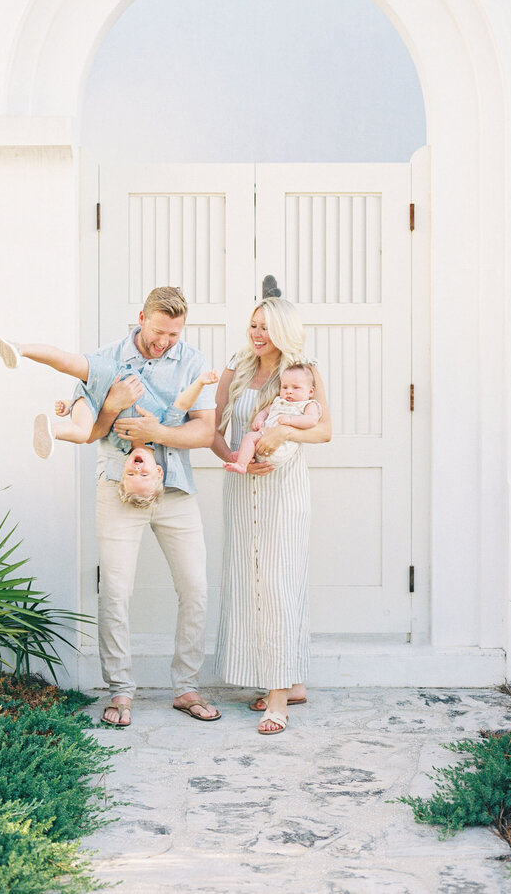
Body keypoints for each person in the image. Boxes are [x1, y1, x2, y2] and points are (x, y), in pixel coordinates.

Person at [82, 286, 220, 728]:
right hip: (119, 487)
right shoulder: (105, 359)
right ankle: (120, 691)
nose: (163, 342)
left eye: (173, 336)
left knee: (195, 588)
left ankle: (186, 687)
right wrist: (112, 406)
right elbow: (88, 431)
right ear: (141, 316)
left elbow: (203, 433)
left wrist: (156, 430)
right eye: (158, 331)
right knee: (116, 592)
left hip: (176, 486)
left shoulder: (193, 362)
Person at [212, 298, 331, 734]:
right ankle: (291, 682)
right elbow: (214, 429)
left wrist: (280, 431)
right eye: (253, 325)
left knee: (280, 584)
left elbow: (324, 429)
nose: (257, 334)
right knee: (250, 585)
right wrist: (234, 456)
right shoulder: (237, 368)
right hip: (243, 491)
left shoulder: (304, 371)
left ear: (284, 330)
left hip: (285, 493)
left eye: (266, 327)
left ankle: (278, 698)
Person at [0, 335, 217, 507]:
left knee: (81, 434)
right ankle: (19, 349)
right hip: (113, 376)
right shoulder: (162, 427)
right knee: (66, 362)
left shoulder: (120, 442)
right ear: (158, 470)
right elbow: (182, 403)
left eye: (130, 474)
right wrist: (200, 382)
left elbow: (98, 426)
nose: (137, 468)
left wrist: (71, 406)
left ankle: (51, 431)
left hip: (92, 400)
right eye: (143, 474)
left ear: (123, 471)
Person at [223, 363, 322, 474]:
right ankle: (243, 460)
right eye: (284, 387)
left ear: (310, 391)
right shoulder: (279, 401)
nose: (289, 391)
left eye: (296, 387)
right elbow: (264, 411)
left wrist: (290, 420)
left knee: (256, 441)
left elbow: (312, 420)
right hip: (264, 436)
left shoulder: (307, 405)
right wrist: (259, 420)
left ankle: (245, 456)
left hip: (283, 445)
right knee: (250, 436)